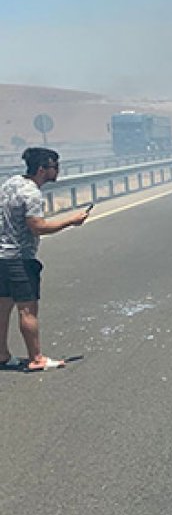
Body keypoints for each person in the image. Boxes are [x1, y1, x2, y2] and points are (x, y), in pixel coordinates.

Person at [0, 147, 89, 372]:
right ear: (42, 169)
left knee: (3, 306)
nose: (57, 171)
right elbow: (37, 226)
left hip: (2, 255)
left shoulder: (11, 183)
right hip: (20, 258)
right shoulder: (32, 194)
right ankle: (36, 358)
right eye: (54, 167)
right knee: (27, 309)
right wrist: (71, 221)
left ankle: (1, 354)